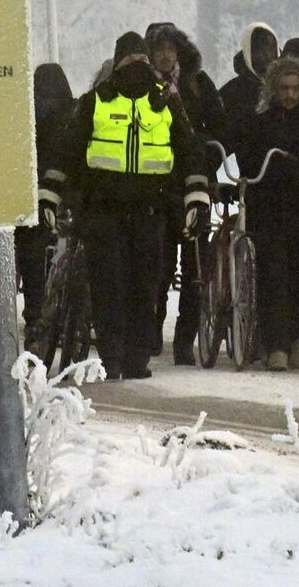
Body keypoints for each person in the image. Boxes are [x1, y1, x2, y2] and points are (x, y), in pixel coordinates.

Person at [42, 32, 209, 380]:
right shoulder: (96, 102)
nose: (137, 67)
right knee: (110, 284)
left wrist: (197, 195)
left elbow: (189, 150)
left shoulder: (164, 103)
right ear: (118, 63)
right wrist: (51, 193)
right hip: (104, 210)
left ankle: (133, 357)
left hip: (150, 209)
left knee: (144, 284)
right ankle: (115, 356)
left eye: (141, 60)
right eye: (131, 60)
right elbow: (67, 150)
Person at [238, 56, 299, 371]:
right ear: (273, 89)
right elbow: (248, 163)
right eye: (284, 88)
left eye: (295, 89)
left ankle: (294, 339)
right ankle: (275, 344)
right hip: (271, 211)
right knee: (273, 276)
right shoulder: (260, 122)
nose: (290, 95)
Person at [144, 23, 222, 366]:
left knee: (195, 268)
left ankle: (185, 339)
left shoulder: (197, 84)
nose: (164, 55)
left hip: (193, 186)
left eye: (170, 48)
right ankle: (152, 329)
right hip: (157, 188)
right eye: (159, 49)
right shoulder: (141, 85)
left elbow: (221, 127)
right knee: (158, 265)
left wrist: (207, 158)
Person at [24, 63, 76, 337]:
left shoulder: (28, 114)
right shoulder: (73, 112)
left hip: (36, 193)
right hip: (65, 191)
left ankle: (34, 314)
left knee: (32, 256)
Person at [217, 22, 279, 138]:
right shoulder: (233, 90)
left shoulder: (287, 85)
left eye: (271, 48)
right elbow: (220, 134)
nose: (267, 55)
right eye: (260, 49)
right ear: (248, 52)